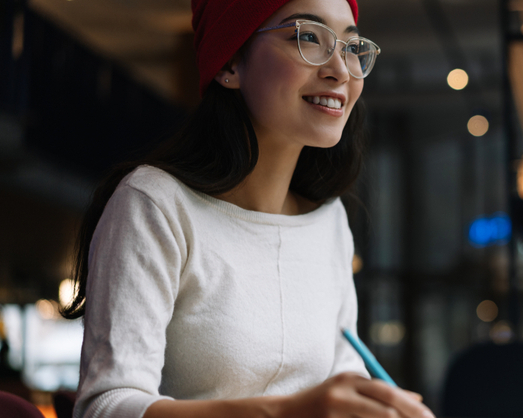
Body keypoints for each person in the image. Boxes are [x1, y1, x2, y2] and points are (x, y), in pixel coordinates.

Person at [62, 0, 436, 417]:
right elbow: (105, 407)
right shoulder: (155, 205)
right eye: (307, 37)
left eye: (351, 47)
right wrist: (287, 411)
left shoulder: (329, 221)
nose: (340, 70)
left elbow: (344, 377)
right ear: (231, 64)